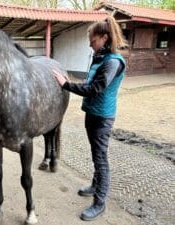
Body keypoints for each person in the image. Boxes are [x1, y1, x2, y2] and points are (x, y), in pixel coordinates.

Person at [53, 16, 127, 221]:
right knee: (96, 154)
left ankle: (100, 202)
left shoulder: (112, 62)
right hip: (92, 114)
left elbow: (95, 89)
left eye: (93, 41)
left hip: (102, 117)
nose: (90, 45)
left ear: (104, 37)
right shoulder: (101, 58)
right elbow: (91, 81)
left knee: (101, 159)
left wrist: (65, 84)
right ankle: (95, 186)